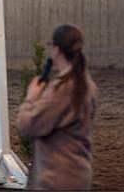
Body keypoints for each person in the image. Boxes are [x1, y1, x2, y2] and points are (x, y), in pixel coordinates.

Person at [17, 24, 97, 190]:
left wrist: (31, 98)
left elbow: (29, 126)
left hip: (56, 178)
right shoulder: (86, 84)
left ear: (56, 49)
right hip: (77, 174)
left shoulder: (62, 89)